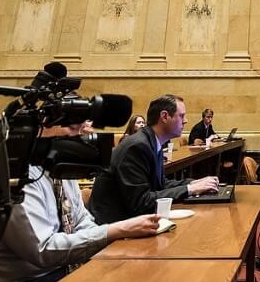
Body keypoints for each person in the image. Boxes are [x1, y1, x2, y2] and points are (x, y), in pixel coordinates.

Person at [0, 121, 161, 282]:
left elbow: (81, 221)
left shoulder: (61, 167)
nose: (83, 135)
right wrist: (117, 230)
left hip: (64, 270)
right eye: (74, 128)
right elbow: (43, 251)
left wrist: (109, 240)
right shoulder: (18, 176)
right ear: (43, 129)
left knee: (139, 279)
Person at [89, 95, 219, 222]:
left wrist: (192, 184)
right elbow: (141, 202)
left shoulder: (150, 141)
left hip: (131, 220)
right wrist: (190, 190)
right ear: (165, 116)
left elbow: (160, 185)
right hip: (114, 229)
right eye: (181, 116)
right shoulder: (137, 146)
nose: (185, 121)